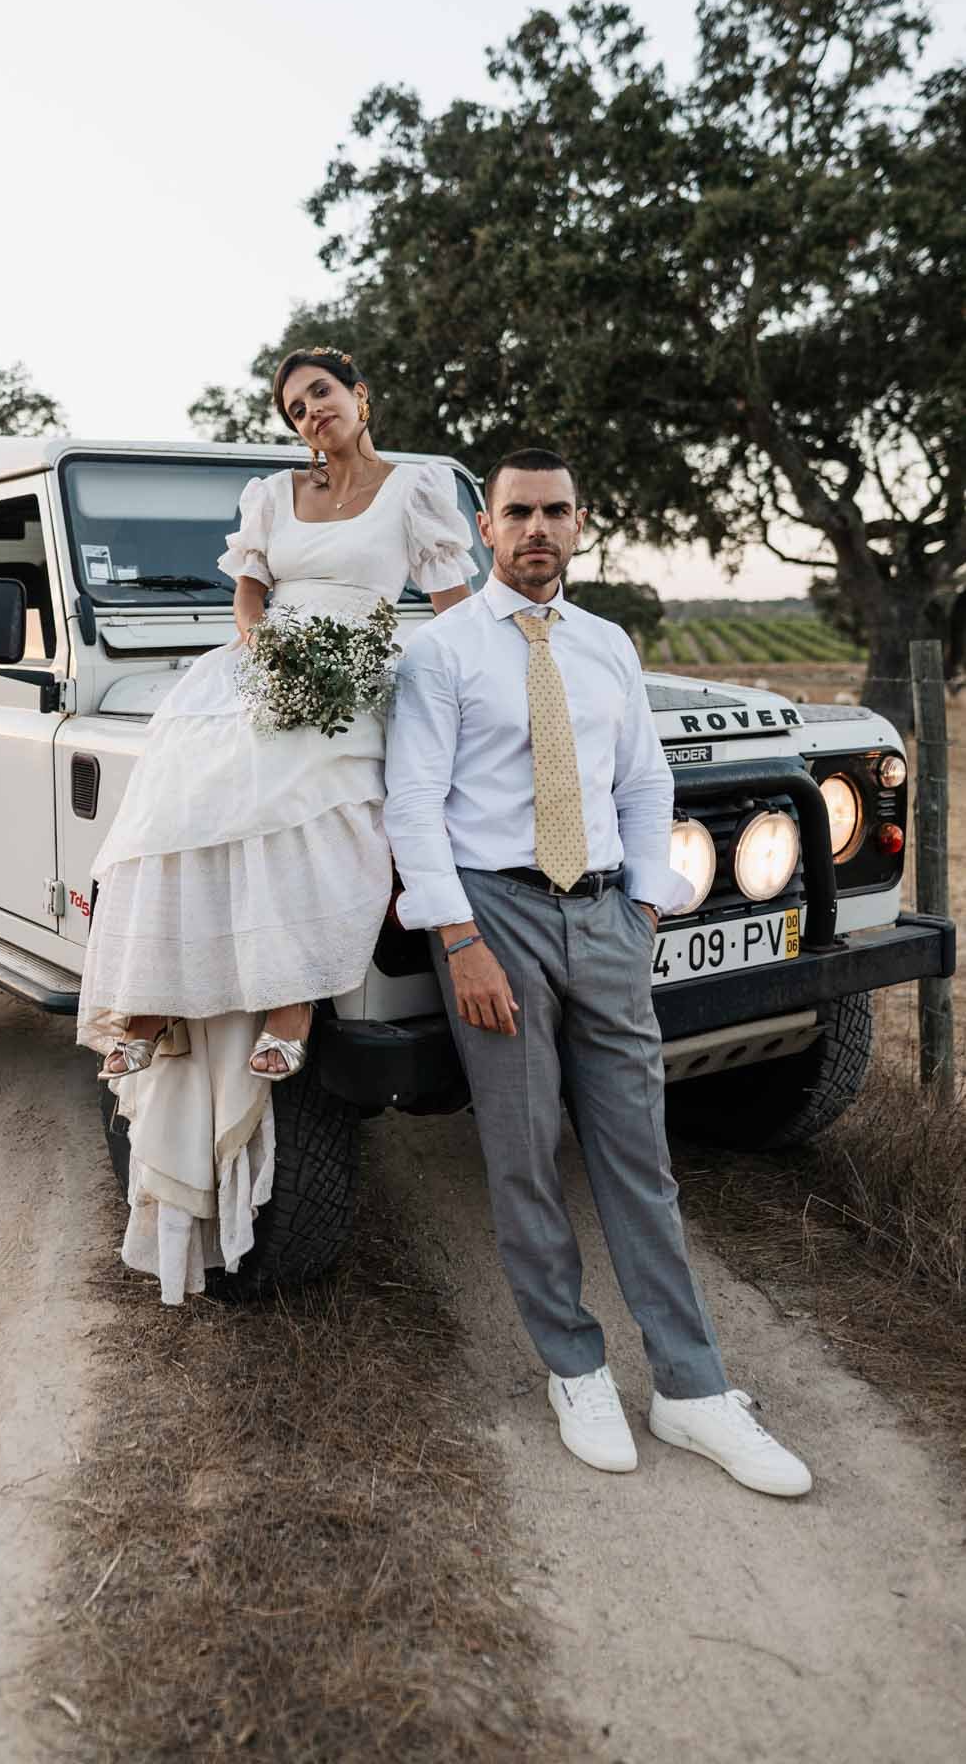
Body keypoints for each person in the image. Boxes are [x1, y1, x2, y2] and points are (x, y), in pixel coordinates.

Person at [383, 447, 812, 1496]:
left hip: (608, 911)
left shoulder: (608, 644)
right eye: (518, 512)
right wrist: (460, 941)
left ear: (580, 525)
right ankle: (574, 1367)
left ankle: (692, 1388)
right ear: (485, 528)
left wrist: (648, 902)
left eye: (556, 511)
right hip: (495, 915)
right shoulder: (440, 653)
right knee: (525, 1152)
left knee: (638, 1155)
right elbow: (415, 806)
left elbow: (644, 782)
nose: (537, 528)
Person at [76, 347, 475, 1303]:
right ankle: (153, 995)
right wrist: (260, 650)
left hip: (358, 673)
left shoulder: (414, 491)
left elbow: (454, 607)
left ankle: (292, 1004)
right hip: (265, 665)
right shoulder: (272, 495)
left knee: (318, 806)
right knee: (178, 799)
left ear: (360, 396)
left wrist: (476, 686)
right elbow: (249, 590)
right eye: (295, 407)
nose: (310, 414)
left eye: (321, 395)